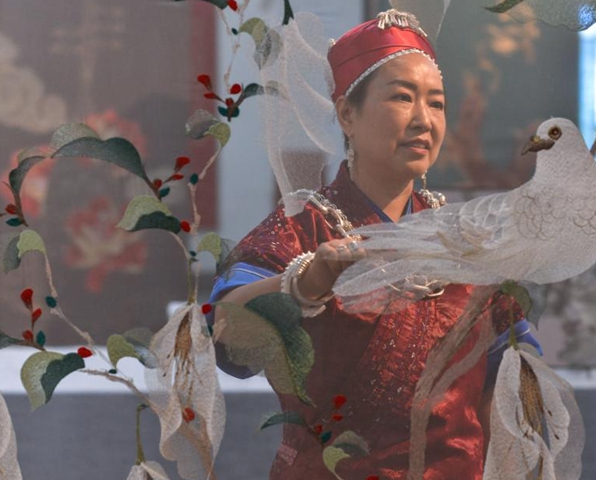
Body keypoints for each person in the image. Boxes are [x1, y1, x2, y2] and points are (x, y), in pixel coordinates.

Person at [209, 9, 541, 479]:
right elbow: (225, 335)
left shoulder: (465, 243)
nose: (423, 120)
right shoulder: (301, 230)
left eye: (437, 103)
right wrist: (303, 284)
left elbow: (509, 382)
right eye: (403, 98)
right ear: (347, 113)